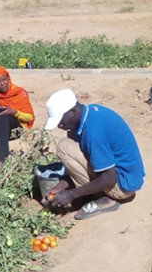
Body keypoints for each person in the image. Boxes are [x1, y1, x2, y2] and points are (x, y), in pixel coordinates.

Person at [44, 88, 145, 220]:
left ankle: (106, 199)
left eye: (60, 121)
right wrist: (61, 186)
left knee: (64, 147)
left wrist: (72, 194)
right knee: (69, 140)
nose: (60, 126)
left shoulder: (94, 133)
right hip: (129, 176)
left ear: (73, 112)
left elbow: (110, 178)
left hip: (122, 185)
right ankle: (96, 191)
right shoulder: (90, 113)